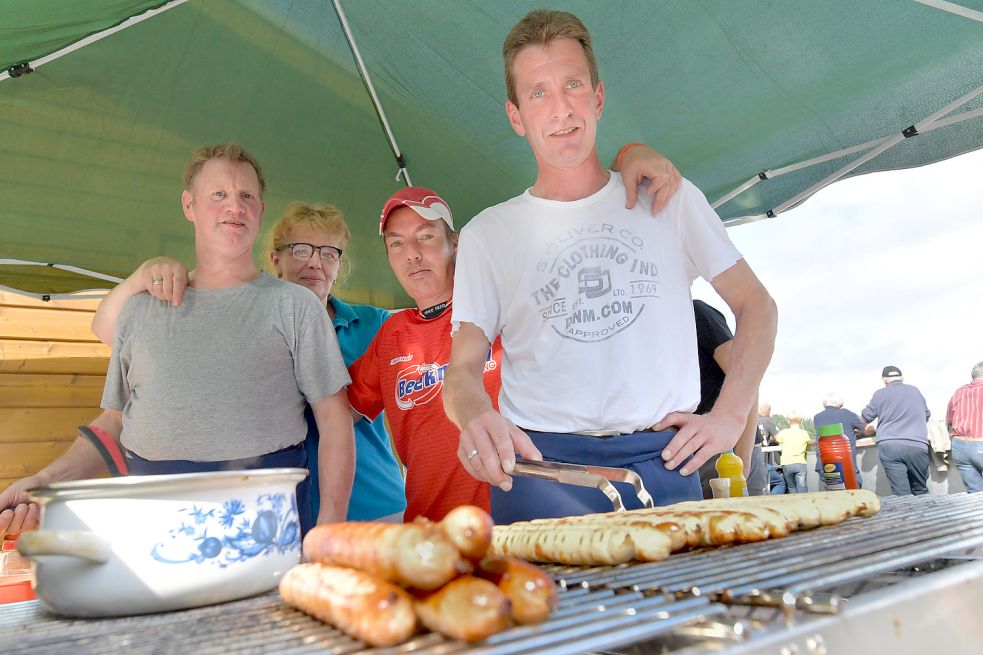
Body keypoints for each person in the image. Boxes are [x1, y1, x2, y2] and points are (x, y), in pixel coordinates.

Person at [444, 9, 778, 523]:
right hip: (539, 473)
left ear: (598, 97)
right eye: (538, 93)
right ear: (515, 116)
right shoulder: (486, 234)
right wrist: (474, 415)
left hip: (665, 462)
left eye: (573, 84)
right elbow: (463, 367)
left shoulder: (667, 197)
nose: (561, 109)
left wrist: (730, 415)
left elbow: (756, 306)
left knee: (680, 605)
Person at [0, 144, 356, 536]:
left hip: (268, 535)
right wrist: (46, 482)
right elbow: (117, 421)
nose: (234, 206)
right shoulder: (141, 309)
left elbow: (334, 419)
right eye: (218, 194)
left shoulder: (295, 306)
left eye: (246, 196)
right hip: (155, 537)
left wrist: (329, 528)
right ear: (189, 205)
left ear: (260, 211)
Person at [89, 202, 409, 525]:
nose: (315, 263)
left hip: (379, 507)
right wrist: (142, 276)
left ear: (340, 264)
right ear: (274, 258)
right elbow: (107, 329)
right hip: (286, 514)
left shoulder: (376, 325)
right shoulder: (242, 324)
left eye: (329, 253)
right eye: (301, 250)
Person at [691, 300, 767, 497]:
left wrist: (743, 460)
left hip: (734, 448)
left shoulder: (695, 313)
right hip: (697, 450)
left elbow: (746, 378)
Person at [862, 365, 931, 496]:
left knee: (901, 493)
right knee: (921, 490)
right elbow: (926, 415)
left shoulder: (879, 394)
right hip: (917, 445)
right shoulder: (915, 391)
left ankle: (905, 515)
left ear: (884, 380)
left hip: (889, 446)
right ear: (902, 378)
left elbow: (865, 418)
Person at [813, 392, 865, 487]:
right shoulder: (848, 414)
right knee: (854, 493)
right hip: (845, 464)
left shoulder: (817, 417)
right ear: (841, 403)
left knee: (833, 495)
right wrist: (856, 433)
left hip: (824, 464)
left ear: (824, 403)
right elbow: (865, 428)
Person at [946, 361, 983, 493]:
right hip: (980, 443)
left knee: (975, 493)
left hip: (960, 447)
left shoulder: (959, 392)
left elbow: (949, 421)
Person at [775, 412, 811, 494]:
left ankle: (793, 503)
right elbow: (808, 447)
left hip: (786, 463)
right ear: (801, 420)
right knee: (802, 487)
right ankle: (803, 503)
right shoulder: (804, 433)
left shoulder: (783, 432)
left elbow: (780, 446)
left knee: (791, 487)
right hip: (800, 462)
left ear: (788, 421)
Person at [757, 402, 784, 493]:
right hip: (762, 462)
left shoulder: (752, 420)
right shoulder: (767, 421)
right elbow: (778, 438)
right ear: (768, 411)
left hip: (750, 462)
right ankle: (771, 499)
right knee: (780, 483)